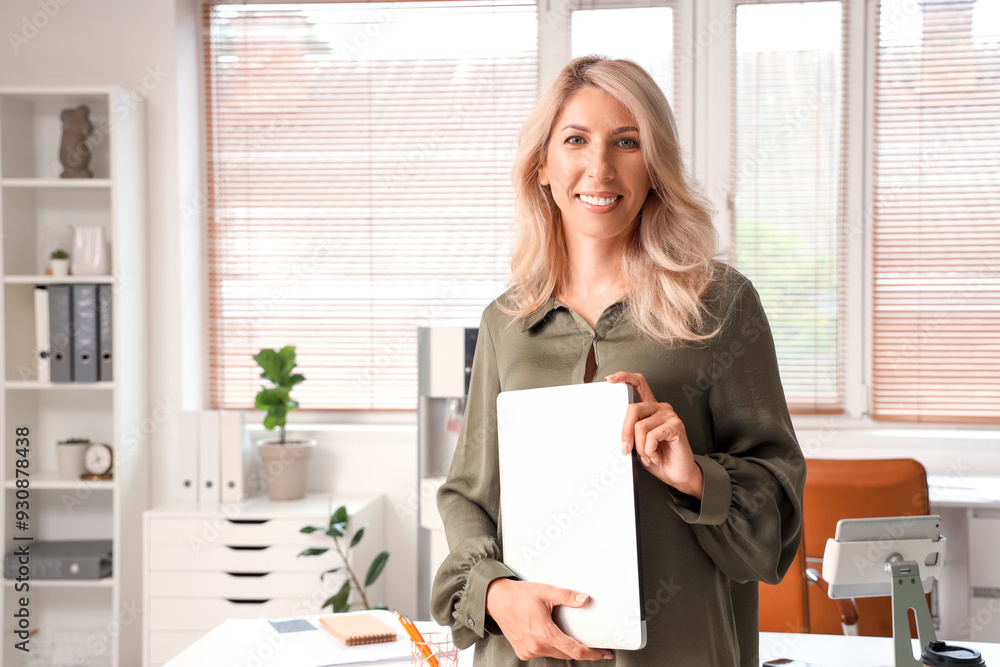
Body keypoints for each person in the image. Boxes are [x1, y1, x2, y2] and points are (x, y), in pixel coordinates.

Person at [430, 55, 806, 667]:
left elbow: (776, 509)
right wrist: (496, 594)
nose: (599, 168)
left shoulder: (720, 305)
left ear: (654, 167)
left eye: (627, 142)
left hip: (678, 649)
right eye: (575, 140)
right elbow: (469, 496)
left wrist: (694, 476)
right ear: (543, 167)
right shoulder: (507, 320)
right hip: (526, 652)